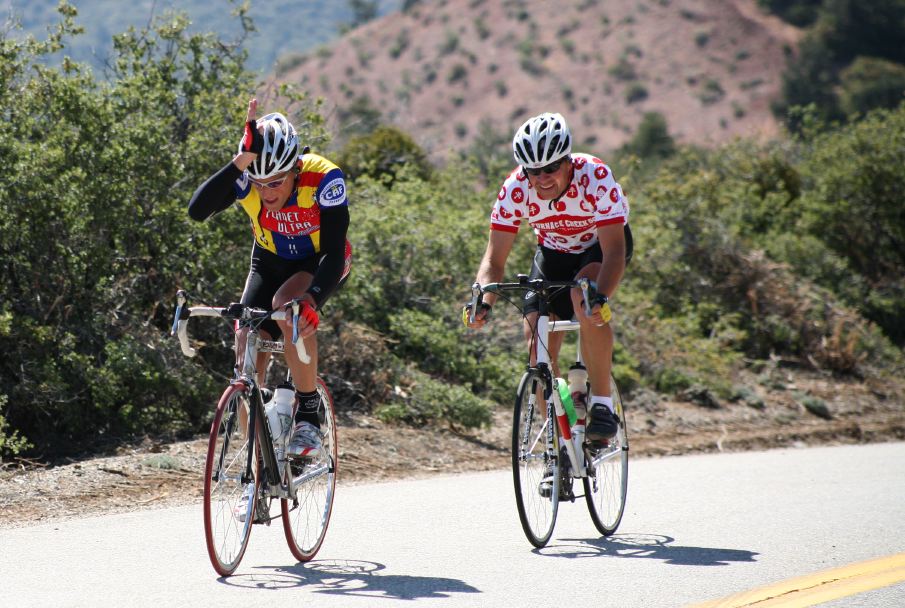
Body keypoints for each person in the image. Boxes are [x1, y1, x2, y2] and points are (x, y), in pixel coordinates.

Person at [188, 99, 351, 465]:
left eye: (276, 181)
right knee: (247, 341)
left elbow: (334, 251)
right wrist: (241, 161)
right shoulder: (247, 178)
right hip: (269, 258)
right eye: (260, 183)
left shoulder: (324, 178)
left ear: (295, 168)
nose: (267, 192)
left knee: (287, 308)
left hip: (319, 260)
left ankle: (309, 414)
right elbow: (197, 211)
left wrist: (310, 300)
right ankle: (257, 467)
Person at [464, 111, 632, 449]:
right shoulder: (514, 189)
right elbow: (494, 259)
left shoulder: (595, 175)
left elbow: (615, 252)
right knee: (535, 336)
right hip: (553, 253)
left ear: (568, 161)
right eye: (533, 171)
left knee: (582, 298)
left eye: (551, 168)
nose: (542, 178)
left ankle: (601, 405)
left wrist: (599, 299)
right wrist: (482, 299)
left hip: (599, 250)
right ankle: (560, 438)